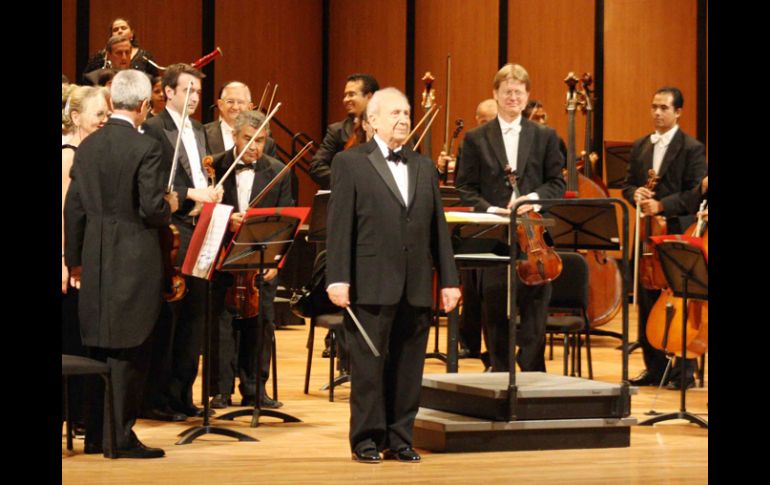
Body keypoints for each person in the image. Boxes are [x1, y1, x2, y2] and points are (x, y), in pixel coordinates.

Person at [326, 87, 461, 463]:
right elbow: (339, 225)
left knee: (408, 366)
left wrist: (449, 280)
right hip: (370, 281)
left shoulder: (423, 165)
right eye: (395, 113)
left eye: (406, 113)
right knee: (368, 367)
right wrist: (338, 277)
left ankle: (401, 438)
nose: (403, 119)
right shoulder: (349, 162)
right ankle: (367, 439)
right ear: (372, 121)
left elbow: (438, 229)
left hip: (415, 283)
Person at [64, 69, 179, 458]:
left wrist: (75, 261)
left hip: (95, 259)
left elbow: (73, 208)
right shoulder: (147, 147)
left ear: (112, 101)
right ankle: (120, 437)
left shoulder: (88, 146)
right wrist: (170, 203)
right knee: (130, 349)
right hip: (134, 259)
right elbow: (151, 209)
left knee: (98, 348)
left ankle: (97, 434)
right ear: (145, 105)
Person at [455, 63, 566, 373]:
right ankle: (500, 372)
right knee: (494, 307)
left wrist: (531, 200)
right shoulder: (476, 138)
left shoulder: (545, 136)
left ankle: (531, 371)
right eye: (507, 92)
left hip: (534, 234)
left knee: (535, 306)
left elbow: (557, 183)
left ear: (527, 95)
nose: (513, 97)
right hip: (494, 233)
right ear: (496, 94)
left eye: (518, 92)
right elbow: (465, 187)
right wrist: (492, 210)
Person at [141, 63, 223, 421]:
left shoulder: (199, 129)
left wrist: (212, 190)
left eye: (199, 92)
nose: (194, 98)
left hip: (200, 227)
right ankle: (157, 398)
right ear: (168, 92)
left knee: (195, 315)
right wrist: (192, 193)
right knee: (170, 316)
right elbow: (153, 181)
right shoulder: (153, 128)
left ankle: (182, 394)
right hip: (173, 228)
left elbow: (200, 171)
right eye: (188, 90)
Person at [621, 86, 706, 390]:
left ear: (678, 112)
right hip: (647, 236)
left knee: (679, 298)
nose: (657, 113)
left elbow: (696, 193)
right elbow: (627, 185)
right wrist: (636, 194)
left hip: (676, 232)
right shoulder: (641, 145)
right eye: (654, 107)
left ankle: (683, 371)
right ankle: (655, 369)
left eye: (664, 108)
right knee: (646, 298)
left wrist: (662, 205)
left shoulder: (692, 148)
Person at [209, 110, 293, 409]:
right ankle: (221, 389)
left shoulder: (279, 171)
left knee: (261, 324)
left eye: (260, 140)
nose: (255, 146)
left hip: (260, 260)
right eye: (248, 139)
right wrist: (227, 218)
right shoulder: (216, 166)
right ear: (234, 136)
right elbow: (205, 212)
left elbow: (285, 219)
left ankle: (255, 388)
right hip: (223, 256)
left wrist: (275, 262)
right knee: (222, 324)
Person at [61, 85, 111, 437]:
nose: (105, 120)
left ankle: (82, 415)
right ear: (76, 117)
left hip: (88, 263)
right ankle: (75, 415)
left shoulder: (93, 154)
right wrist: (64, 261)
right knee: (73, 339)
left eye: (107, 114)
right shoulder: (68, 155)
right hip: (70, 265)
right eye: (99, 115)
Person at [309, 73, 380, 189]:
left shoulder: (388, 129)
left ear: (370, 97)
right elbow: (317, 166)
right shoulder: (337, 131)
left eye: (351, 94)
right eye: (345, 95)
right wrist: (346, 182)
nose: (346, 100)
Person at [204, 81, 277, 157]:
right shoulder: (203, 134)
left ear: (250, 107)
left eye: (240, 102)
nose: (235, 107)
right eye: (230, 101)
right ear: (220, 105)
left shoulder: (265, 140)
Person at [83, 17, 158, 79]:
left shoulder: (145, 56)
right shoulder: (100, 56)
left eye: (123, 28)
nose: (120, 31)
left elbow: (154, 81)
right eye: (115, 29)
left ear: (132, 34)